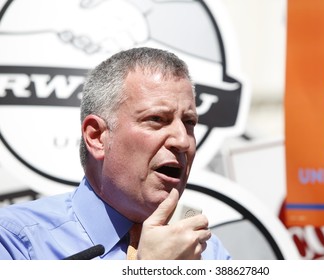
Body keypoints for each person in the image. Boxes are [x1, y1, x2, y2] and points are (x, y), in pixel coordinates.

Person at [0, 47, 231, 260]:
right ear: (97, 136)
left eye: (189, 122)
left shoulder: (208, 251)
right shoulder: (15, 241)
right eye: (157, 119)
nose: (182, 141)